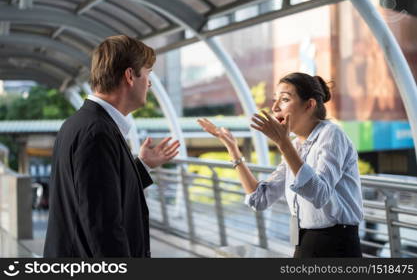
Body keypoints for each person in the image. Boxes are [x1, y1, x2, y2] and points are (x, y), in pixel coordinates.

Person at [197, 72, 363, 258]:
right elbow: (260, 199)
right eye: (275, 100)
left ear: (309, 105)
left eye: (284, 99)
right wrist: (233, 149)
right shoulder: (295, 145)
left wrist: (284, 145)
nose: (274, 107)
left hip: (336, 244)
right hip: (302, 240)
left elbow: (320, 194)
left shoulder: (331, 134)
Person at [44, 35, 180, 258]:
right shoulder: (97, 133)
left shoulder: (81, 123)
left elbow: (98, 194)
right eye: (147, 74)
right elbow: (103, 227)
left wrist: (143, 165)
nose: (149, 83)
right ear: (129, 76)